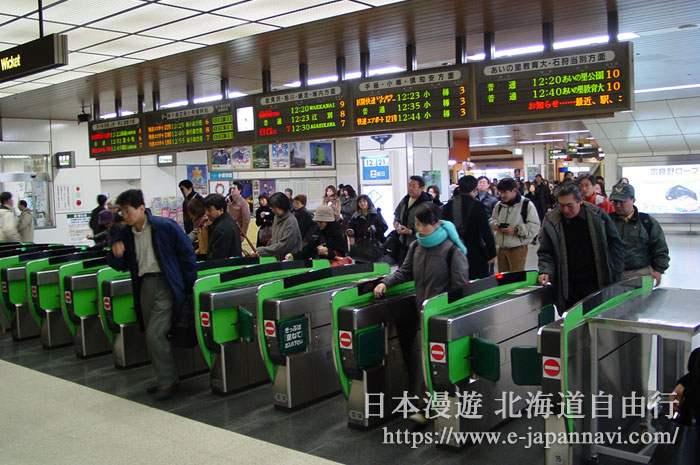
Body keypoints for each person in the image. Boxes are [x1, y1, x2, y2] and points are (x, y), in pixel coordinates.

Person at [373, 202, 469, 425]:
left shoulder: (452, 250)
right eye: (416, 224)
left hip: (443, 318)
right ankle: (425, 407)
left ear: (437, 223)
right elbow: (405, 272)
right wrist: (385, 282)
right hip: (422, 315)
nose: (420, 229)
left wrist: (449, 317)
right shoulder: (416, 247)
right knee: (423, 359)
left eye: (424, 224)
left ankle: (428, 409)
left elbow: (459, 289)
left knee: (437, 361)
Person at [107, 189, 197, 400]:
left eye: (127, 211)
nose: (124, 216)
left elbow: (187, 254)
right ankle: (164, 378)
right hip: (143, 284)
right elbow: (119, 264)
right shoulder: (126, 233)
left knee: (155, 334)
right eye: (121, 212)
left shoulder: (163, 227)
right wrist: (115, 254)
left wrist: (186, 287)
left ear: (140, 208)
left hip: (166, 284)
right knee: (150, 333)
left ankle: (167, 382)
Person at [537, 181, 626, 313]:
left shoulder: (598, 216)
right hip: (568, 286)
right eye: (561, 205)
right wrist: (546, 271)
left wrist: (615, 274)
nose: (565, 210)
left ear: (581, 201)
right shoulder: (552, 221)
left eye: (569, 205)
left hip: (597, 283)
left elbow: (616, 246)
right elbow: (546, 252)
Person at [608, 183, 670, 287]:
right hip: (614, 275)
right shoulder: (606, 221)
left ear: (633, 200)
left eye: (622, 201)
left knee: (642, 302)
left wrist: (659, 270)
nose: (618, 205)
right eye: (615, 202)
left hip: (640, 273)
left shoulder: (647, 222)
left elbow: (659, 247)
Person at [442, 175, 497, 280]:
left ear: (459, 189)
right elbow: (485, 231)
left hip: (452, 252)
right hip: (475, 253)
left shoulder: (448, 206)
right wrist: (491, 253)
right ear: (474, 189)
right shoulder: (478, 206)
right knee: (477, 286)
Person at [490, 178, 540, 272]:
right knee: (503, 280)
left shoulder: (526, 205)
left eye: (505, 192)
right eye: (500, 192)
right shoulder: (499, 205)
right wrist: (495, 225)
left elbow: (534, 226)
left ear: (514, 190)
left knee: (516, 279)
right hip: (502, 248)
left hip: (518, 248)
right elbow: (492, 220)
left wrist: (516, 230)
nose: (502, 195)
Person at [393, 175, 433, 265]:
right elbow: (397, 214)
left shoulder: (426, 204)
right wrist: (396, 223)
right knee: (402, 269)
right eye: (409, 185)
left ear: (421, 188)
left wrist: (411, 231)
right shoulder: (405, 199)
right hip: (403, 243)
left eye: (414, 186)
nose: (410, 188)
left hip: (419, 245)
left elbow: (429, 226)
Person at [256, 192, 302, 260]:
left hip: (290, 260)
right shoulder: (276, 218)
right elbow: (274, 240)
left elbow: (284, 245)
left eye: (274, 208)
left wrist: (262, 250)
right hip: (278, 259)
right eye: (272, 208)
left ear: (282, 206)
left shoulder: (291, 221)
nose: (273, 210)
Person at [347, 194, 388, 262]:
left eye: (364, 201)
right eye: (360, 202)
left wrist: (374, 229)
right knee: (360, 266)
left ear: (368, 202)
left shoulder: (375, 213)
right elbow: (351, 228)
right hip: (360, 245)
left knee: (373, 266)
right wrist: (350, 232)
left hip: (374, 245)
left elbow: (384, 227)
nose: (362, 203)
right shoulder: (355, 216)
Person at [204, 194, 242, 260]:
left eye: (210, 210)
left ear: (221, 210)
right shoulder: (224, 222)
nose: (207, 213)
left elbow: (218, 257)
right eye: (206, 210)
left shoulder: (223, 228)